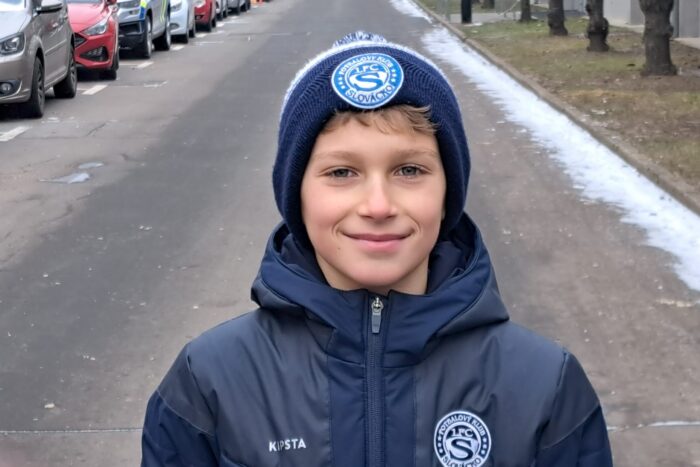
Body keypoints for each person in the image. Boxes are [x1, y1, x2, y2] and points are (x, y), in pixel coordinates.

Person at [141, 31, 613, 467]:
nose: (378, 205)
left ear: (447, 191)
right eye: (341, 173)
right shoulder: (208, 382)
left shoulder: (544, 386)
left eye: (409, 170)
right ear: (296, 194)